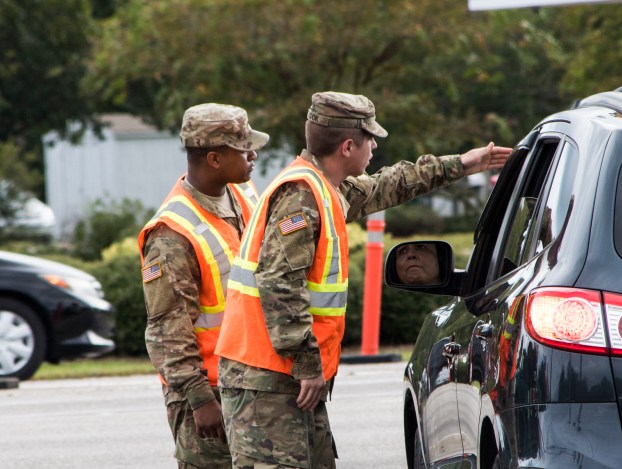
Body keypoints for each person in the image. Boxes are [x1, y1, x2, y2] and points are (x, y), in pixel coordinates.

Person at [214, 91, 512, 469]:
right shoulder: (301, 195)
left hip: (284, 374)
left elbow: (390, 184)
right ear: (348, 146)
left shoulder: (326, 188)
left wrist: (463, 164)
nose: (374, 146)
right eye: (370, 138)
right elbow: (278, 283)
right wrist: (307, 364)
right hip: (268, 378)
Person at [138, 103, 269, 469]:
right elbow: (167, 330)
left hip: (247, 382)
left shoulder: (243, 195)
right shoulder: (170, 235)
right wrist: (199, 399)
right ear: (214, 158)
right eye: (244, 148)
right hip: (207, 395)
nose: (253, 154)